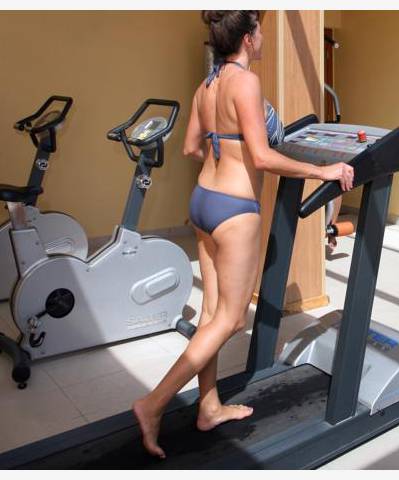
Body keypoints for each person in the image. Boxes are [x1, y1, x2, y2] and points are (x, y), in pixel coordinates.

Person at [132, 10, 354, 459]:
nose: (263, 37)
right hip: (234, 210)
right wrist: (323, 170)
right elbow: (263, 158)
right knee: (232, 319)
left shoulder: (207, 85)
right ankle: (153, 404)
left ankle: (209, 406)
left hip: (203, 202)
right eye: (260, 31)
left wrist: (224, 153)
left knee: (211, 314)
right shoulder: (246, 83)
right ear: (248, 38)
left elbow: (190, 147)